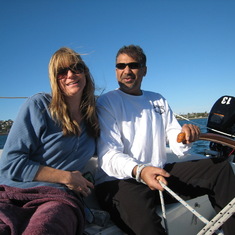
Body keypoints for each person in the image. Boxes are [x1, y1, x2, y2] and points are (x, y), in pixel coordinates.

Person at [95, 45, 235, 235]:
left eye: (133, 65)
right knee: (149, 228)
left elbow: (175, 139)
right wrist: (141, 170)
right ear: (116, 70)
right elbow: (109, 154)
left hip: (158, 172)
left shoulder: (157, 100)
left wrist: (185, 137)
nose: (127, 71)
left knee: (220, 169)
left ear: (144, 70)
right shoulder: (106, 102)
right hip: (119, 182)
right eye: (121, 66)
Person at [0, 47, 99, 235]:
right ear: (55, 78)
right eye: (62, 71)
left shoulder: (94, 118)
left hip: (57, 199)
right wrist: (67, 177)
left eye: (76, 67)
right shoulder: (39, 105)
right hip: (13, 192)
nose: (70, 74)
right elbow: (10, 164)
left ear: (85, 72)